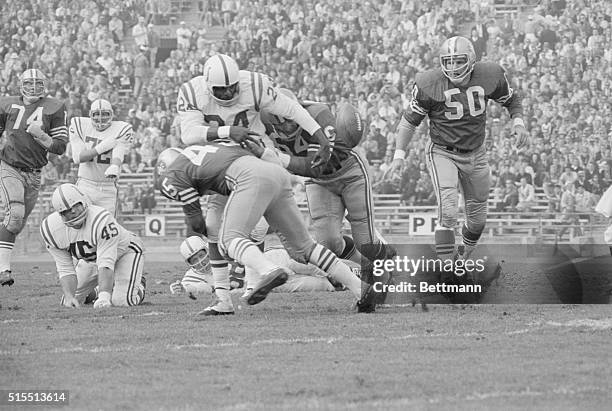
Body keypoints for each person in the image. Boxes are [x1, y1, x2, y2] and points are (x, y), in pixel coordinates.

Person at [175, 53, 334, 314]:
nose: (227, 93)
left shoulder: (256, 85)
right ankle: (228, 298)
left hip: (256, 160)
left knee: (293, 244)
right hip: (222, 164)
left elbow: (292, 109)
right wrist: (228, 132)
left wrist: (321, 137)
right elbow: (188, 134)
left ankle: (259, 280)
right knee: (216, 230)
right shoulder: (193, 93)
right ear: (207, 86)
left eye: (232, 87)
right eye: (221, 89)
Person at [156, 144, 376, 315]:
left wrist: (208, 232)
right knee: (304, 247)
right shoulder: (209, 151)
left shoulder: (174, 175)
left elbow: (196, 223)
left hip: (246, 178)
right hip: (274, 172)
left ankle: (267, 271)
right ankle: (361, 290)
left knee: (227, 238)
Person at [390, 36, 528, 265]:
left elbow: (512, 100)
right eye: (448, 61)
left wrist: (518, 122)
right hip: (443, 151)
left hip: (477, 152)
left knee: (477, 220)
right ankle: (446, 265)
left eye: (458, 60)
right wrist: (398, 156)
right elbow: (408, 122)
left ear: (471, 59)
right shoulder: (429, 83)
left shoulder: (489, 75)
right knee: (449, 210)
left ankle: (462, 259)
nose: (453, 67)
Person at [253, 89, 395, 269]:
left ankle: (391, 262)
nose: (291, 125)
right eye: (285, 122)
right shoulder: (262, 122)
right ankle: (362, 267)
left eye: (292, 118)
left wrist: (278, 158)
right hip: (319, 182)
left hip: (349, 173)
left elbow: (315, 165)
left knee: (365, 242)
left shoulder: (319, 114)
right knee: (329, 244)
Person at [0, 69, 68, 287]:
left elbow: (60, 147)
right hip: (10, 166)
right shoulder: (7, 104)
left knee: (15, 224)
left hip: (35, 174)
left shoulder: (54, 106)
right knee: (16, 213)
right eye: (29, 83)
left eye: (38, 83)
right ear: (21, 84)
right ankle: (4, 270)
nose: (34, 87)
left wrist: (41, 135)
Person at [39, 184, 145, 308]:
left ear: (84, 202)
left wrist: (104, 297)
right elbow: (65, 268)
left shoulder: (100, 219)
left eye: (75, 205)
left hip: (125, 252)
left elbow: (106, 262)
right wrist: (69, 296)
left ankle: (139, 285)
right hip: (91, 260)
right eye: (66, 210)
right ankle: (97, 291)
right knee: (70, 301)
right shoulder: (51, 230)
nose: (72, 211)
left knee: (121, 302)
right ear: (60, 214)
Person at [69, 98, 133, 216]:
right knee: (82, 222)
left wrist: (115, 165)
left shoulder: (121, 129)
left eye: (104, 114)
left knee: (106, 226)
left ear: (112, 115)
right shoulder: (80, 125)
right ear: (90, 115)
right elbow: (78, 158)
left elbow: (119, 150)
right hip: (85, 184)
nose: (100, 117)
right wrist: (101, 148)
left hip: (108, 187)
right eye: (96, 114)